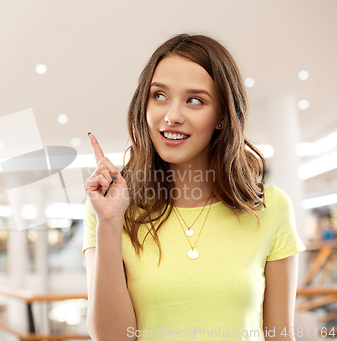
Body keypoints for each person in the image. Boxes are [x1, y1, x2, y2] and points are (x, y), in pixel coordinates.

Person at [82, 34, 306, 341]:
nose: (172, 116)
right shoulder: (109, 207)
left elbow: (279, 335)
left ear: (222, 117)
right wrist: (109, 222)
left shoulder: (270, 206)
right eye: (158, 96)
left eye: (195, 100)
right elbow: (112, 338)